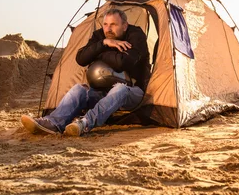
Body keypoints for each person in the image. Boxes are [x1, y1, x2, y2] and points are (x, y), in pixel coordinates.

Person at [21, 8, 150, 136]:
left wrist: (98, 53)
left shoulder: (136, 36)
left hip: (132, 92)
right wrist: (104, 43)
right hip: (102, 93)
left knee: (120, 89)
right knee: (79, 89)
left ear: (125, 26)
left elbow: (122, 63)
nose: (108, 29)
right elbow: (81, 58)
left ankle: (85, 123)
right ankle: (53, 123)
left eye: (113, 24)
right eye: (105, 24)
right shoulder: (100, 36)